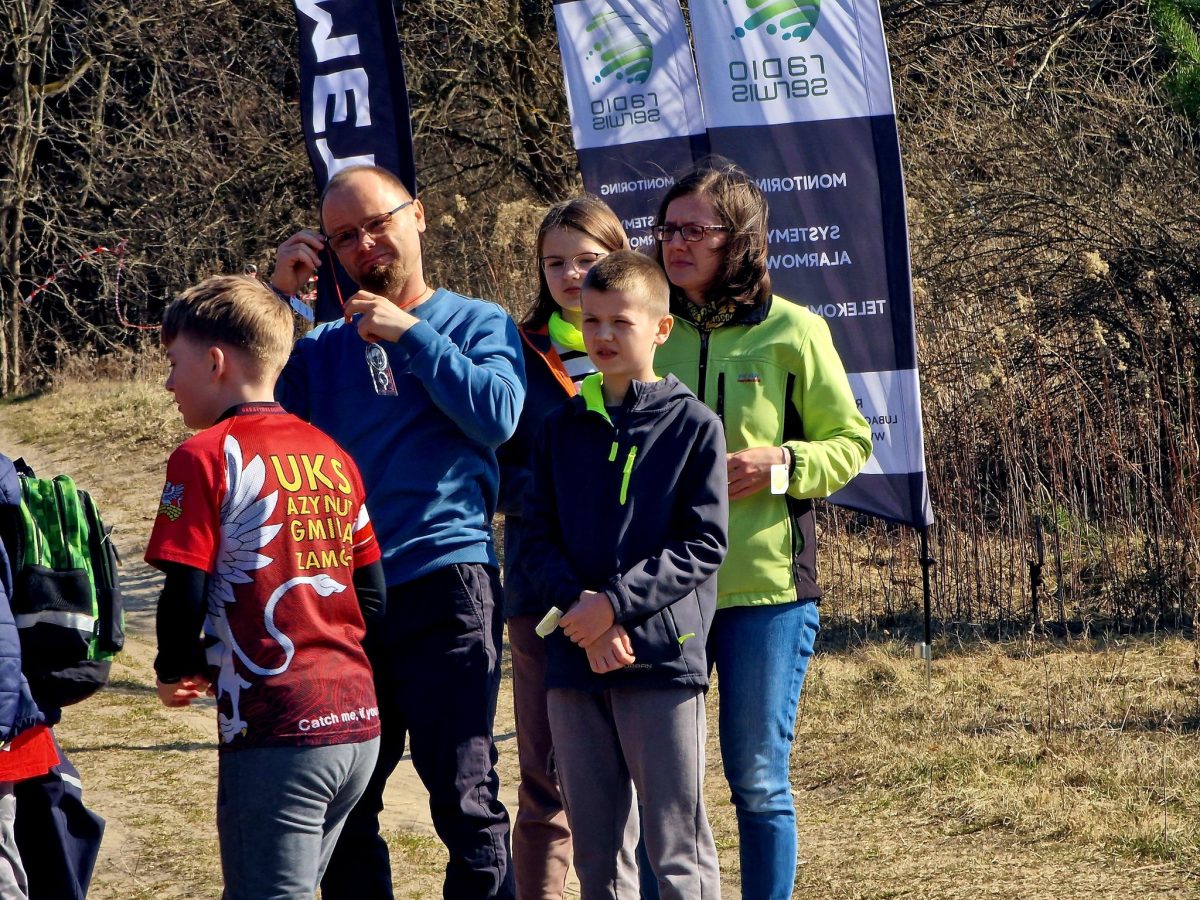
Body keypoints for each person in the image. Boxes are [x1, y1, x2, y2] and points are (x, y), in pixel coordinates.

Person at [269, 165, 524, 899]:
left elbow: (497, 415)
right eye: (343, 236)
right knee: (346, 804)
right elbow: (251, 408)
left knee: (465, 800)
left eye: (377, 223)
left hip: (447, 582)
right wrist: (282, 297)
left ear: (419, 217)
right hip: (345, 599)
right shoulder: (317, 350)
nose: (364, 244)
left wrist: (411, 335)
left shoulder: (477, 322)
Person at [652, 161, 873, 899]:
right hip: (665, 593)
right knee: (665, 786)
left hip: (767, 591)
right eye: (668, 227)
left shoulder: (794, 329)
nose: (675, 242)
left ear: (737, 238)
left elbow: (850, 443)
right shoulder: (650, 327)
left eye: (694, 230)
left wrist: (780, 464)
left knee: (756, 778)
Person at [144, 275, 386, 899]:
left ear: (217, 362)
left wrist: (176, 663)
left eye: (175, 364)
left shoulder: (204, 454)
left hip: (277, 728)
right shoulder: (333, 453)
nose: (169, 383)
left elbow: (186, 586)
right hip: (357, 728)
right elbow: (375, 595)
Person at [522, 251, 728, 899]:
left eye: (621, 322)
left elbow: (702, 543)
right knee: (598, 858)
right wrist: (584, 617)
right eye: (592, 322)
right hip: (574, 663)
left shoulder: (695, 427)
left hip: (662, 662)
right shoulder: (560, 430)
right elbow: (532, 538)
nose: (603, 336)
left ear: (660, 330)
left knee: (676, 853)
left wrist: (614, 607)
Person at [496, 197, 627, 900]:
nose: (572, 275)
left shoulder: (654, 343)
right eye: (555, 263)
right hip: (540, 589)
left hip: (634, 592)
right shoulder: (516, 350)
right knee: (545, 778)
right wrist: (563, 488)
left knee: (631, 774)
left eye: (588, 259)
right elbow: (493, 468)